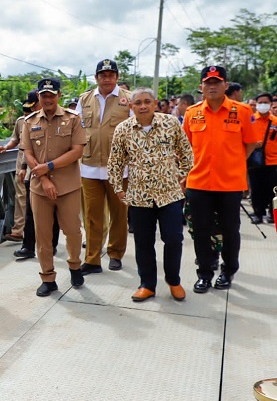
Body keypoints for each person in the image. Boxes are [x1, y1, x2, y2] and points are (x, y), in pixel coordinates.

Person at [108, 87, 194, 302]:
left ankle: (173, 281)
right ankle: (147, 284)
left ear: (155, 103)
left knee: (174, 239)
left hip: (170, 195)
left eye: (147, 101)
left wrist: (182, 178)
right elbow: (115, 163)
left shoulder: (170, 123)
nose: (143, 106)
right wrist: (118, 188)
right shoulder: (123, 129)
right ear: (131, 106)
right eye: (138, 103)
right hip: (139, 196)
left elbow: (187, 153)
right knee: (144, 243)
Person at [183, 65, 258, 293]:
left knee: (230, 229)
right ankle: (204, 273)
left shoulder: (242, 111)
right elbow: (185, 148)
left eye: (217, 82)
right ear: (201, 86)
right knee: (201, 231)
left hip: (230, 184)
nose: (212, 86)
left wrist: (234, 163)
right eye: (208, 82)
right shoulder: (192, 113)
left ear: (226, 85)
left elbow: (251, 143)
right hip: (198, 182)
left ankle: (228, 270)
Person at [20, 78, 86, 296]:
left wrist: (49, 166)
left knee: (73, 231)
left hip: (67, 186)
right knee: (43, 234)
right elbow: (28, 153)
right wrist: (45, 178)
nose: (47, 99)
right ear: (38, 97)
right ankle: (48, 277)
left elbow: (77, 151)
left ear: (58, 96)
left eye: (51, 95)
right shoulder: (30, 122)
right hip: (40, 187)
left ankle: (75, 265)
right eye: (43, 95)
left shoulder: (72, 119)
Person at [76, 59, 131, 274]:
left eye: (111, 74)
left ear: (116, 77)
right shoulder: (85, 99)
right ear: (96, 77)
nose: (106, 78)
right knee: (91, 215)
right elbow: (78, 130)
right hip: (89, 166)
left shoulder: (129, 99)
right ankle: (92, 258)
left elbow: (135, 132)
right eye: (102, 75)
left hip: (119, 167)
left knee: (119, 213)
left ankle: (115, 253)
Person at [0, 90, 39, 243]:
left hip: (40, 160)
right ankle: (19, 231)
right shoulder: (22, 120)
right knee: (21, 196)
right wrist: (5, 147)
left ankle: (39, 230)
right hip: (22, 160)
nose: (31, 110)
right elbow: (15, 139)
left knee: (40, 198)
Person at [247, 92, 276, 224]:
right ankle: (258, 213)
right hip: (255, 161)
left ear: (270, 104)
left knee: (272, 189)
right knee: (256, 188)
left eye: (265, 102)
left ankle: (271, 213)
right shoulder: (251, 119)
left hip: (272, 161)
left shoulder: (275, 121)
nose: (262, 105)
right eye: (260, 102)